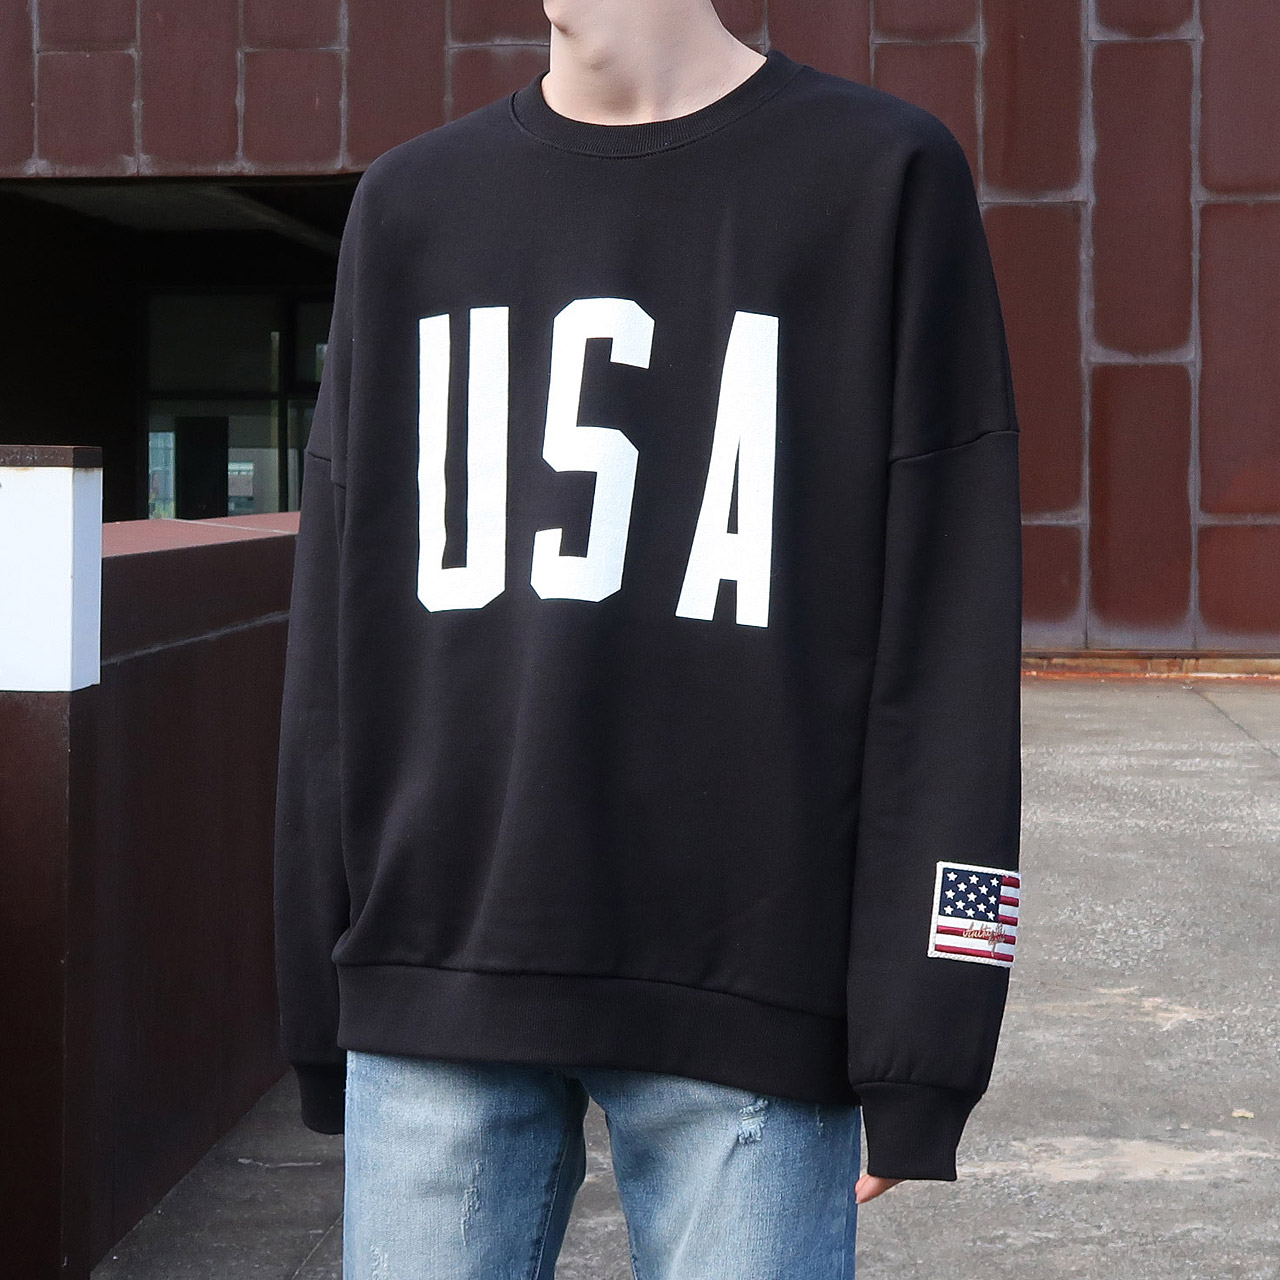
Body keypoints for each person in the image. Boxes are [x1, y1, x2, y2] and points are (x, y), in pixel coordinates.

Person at [272, 1, 1024, 1276]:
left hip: (752, 986)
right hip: (436, 969)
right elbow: (339, 625)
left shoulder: (878, 176)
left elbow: (944, 625)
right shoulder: (413, 205)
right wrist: (317, 983)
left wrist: (923, 1030)